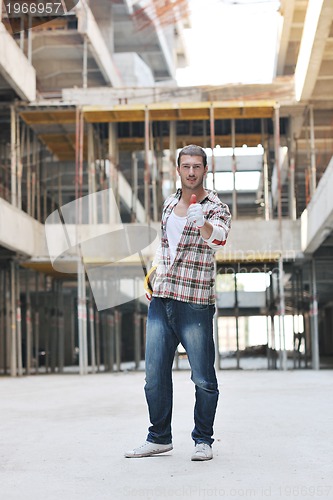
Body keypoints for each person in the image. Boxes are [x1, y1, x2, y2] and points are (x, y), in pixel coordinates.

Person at [125, 144, 231, 461]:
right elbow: (165, 246)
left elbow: (220, 238)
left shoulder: (215, 207)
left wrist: (203, 224)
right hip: (163, 298)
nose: (191, 172)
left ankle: (203, 440)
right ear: (178, 169)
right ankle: (158, 437)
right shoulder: (170, 204)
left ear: (205, 170)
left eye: (197, 166)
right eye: (186, 166)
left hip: (195, 301)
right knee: (154, 376)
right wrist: (153, 276)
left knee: (203, 377)